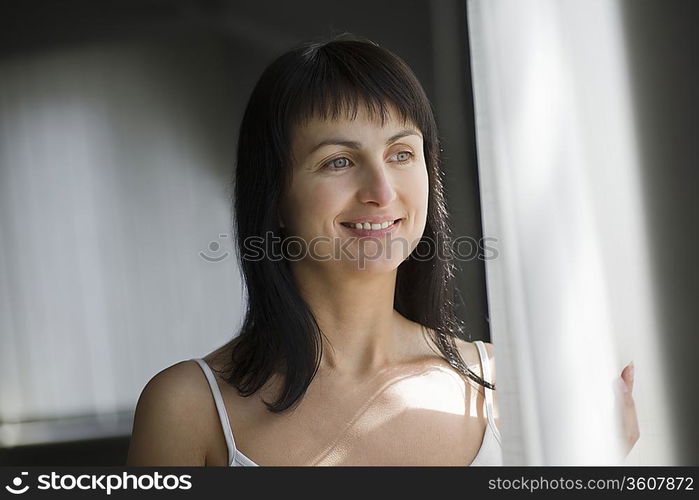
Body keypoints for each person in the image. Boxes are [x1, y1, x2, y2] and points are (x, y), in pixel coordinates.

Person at [126, 35, 638, 466]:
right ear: (275, 196)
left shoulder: (507, 386)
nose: (382, 190)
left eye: (400, 153)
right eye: (337, 161)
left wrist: (596, 463)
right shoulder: (188, 409)